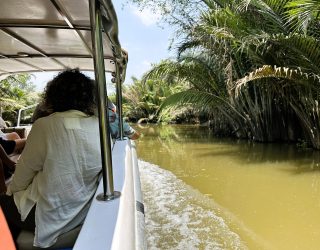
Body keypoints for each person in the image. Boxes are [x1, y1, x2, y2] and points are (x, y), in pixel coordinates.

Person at [1, 68, 102, 248]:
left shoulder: (44, 126)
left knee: (3, 202)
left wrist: (10, 193)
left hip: (52, 214)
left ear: (53, 96)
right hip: (80, 210)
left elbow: (20, 180)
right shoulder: (100, 126)